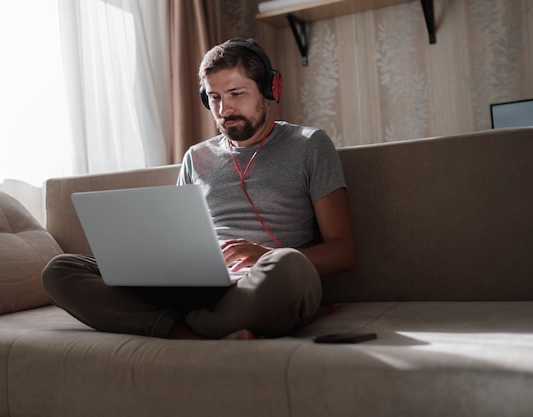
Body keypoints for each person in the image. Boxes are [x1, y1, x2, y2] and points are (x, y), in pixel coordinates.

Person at [42, 38, 356, 340]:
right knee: (61, 270)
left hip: (259, 283)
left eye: (236, 93)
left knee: (291, 269)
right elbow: (177, 236)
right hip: (195, 286)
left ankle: (174, 326)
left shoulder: (310, 144)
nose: (224, 109)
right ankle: (195, 332)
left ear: (270, 89)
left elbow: (343, 251)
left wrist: (265, 255)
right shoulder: (196, 156)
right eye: (214, 97)